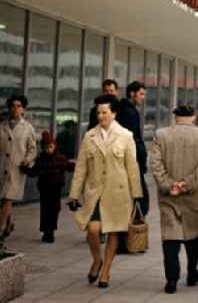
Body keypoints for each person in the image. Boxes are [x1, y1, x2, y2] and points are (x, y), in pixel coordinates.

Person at [68, 96, 142, 289]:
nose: (100, 115)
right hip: (94, 193)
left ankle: (106, 270)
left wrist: (137, 195)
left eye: (104, 112)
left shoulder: (126, 135)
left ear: (114, 113)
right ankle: (96, 260)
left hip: (118, 193)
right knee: (92, 229)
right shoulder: (89, 136)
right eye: (98, 112)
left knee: (113, 233)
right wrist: (74, 194)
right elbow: (81, 167)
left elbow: (132, 167)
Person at [151, 104, 198, 294]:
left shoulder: (161, 135)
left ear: (175, 117)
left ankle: (171, 280)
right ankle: (191, 272)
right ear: (194, 117)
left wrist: (169, 184)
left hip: (168, 195)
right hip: (195, 194)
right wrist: (187, 184)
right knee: (194, 234)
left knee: (170, 235)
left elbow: (155, 164)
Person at [0, 94, 37, 236]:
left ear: (23, 109)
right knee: (4, 199)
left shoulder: (28, 128)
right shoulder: (0, 127)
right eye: (13, 106)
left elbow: (32, 149)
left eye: (19, 106)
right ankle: (8, 224)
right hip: (1, 167)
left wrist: (26, 160)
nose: (15, 109)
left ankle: (0, 229)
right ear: (9, 108)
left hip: (16, 169)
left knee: (7, 198)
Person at [28, 131, 74, 242]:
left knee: (54, 209)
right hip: (44, 188)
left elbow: (69, 166)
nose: (48, 149)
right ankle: (46, 230)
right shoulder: (40, 159)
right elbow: (33, 172)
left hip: (56, 188)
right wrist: (24, 169)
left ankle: (51, 230)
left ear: (54, 146)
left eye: (50, 147)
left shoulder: (60, 158)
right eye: (45, 147)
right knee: (45, 209)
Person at [117, 80, 150, 217]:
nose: (143, 97)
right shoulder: (129, 112)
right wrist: (141, 158)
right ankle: (133, 227)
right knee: (141, 199)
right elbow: (132, 138)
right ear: (132, 93)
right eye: (141, 94)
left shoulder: (124, 109)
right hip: (131, 160)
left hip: (127, 159)